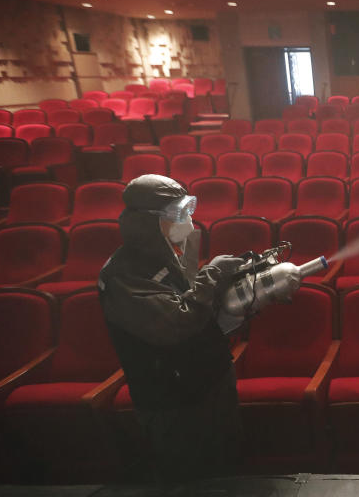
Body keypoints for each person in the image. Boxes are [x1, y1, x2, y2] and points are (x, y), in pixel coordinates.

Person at [97, 174, 247, 486]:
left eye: (188, 211)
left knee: (227, 475)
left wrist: (241, 295)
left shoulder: (168, 254)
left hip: (209, 382)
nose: (188, 221)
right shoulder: (124, 274)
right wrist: (212, 275)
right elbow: (176, 324)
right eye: (179, 214)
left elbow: (199, 308)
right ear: (147, 223)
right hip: (174, 402)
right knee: (190, 480)